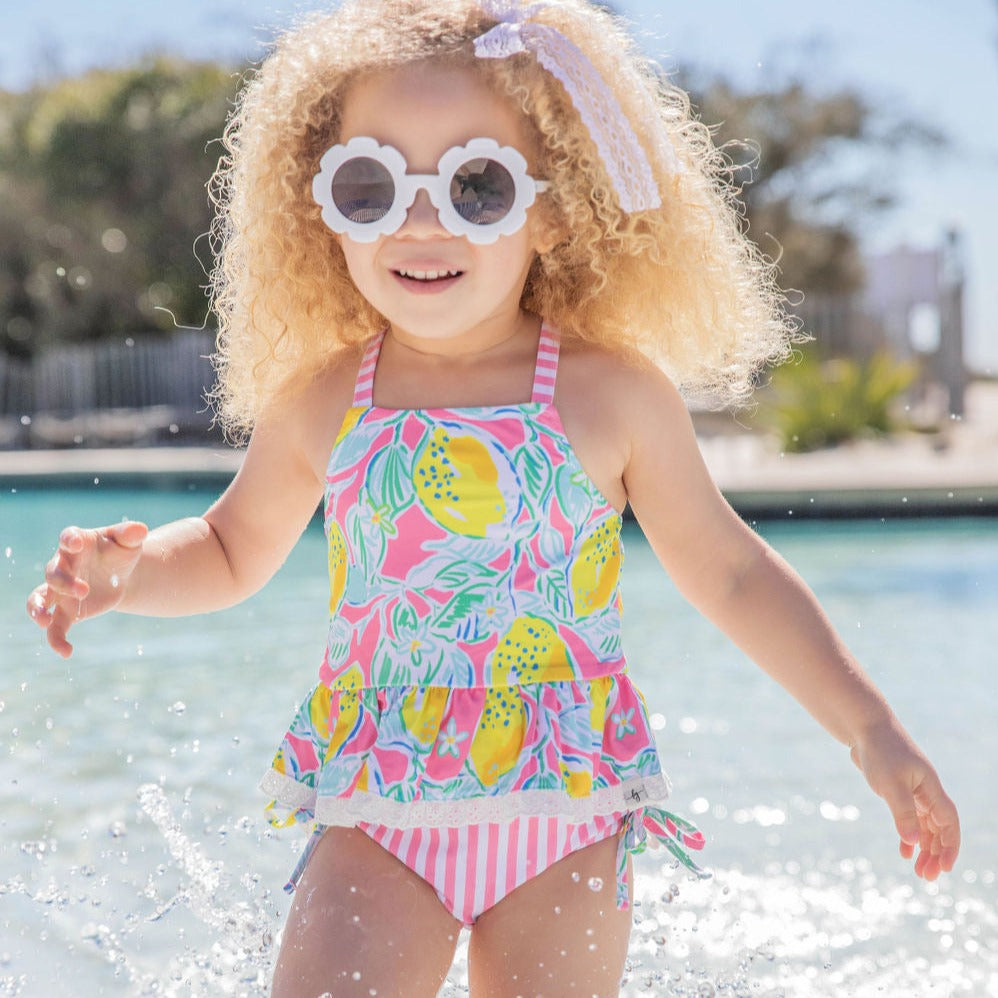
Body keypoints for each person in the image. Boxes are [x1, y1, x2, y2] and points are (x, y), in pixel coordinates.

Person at [27, 1, 960, 995]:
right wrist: (128, 575)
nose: (419, 220)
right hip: (378, 804)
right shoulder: (324, 397)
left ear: (552, 208)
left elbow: (729, 570)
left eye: (474, 184)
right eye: (370, 184)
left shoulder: (609, 393)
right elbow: (225, 547)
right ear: (322, 207)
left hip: (566, 807)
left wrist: (869, 727)